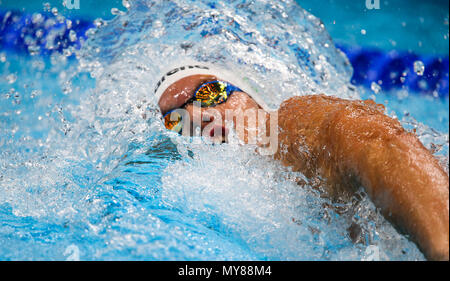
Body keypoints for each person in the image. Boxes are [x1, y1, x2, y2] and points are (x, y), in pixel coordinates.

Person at [155, 62, 449, 261]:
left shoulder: (286, 124)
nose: (199, 116)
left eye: (210, 93)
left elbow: (369, 136)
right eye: (176, 121)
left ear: (251, 95)